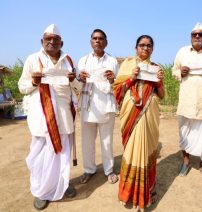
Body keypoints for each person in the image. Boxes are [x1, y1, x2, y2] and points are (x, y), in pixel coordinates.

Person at [18, 24, 80, 210]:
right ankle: (41, 192)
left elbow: (78, 88)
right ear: (42, 41)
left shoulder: (68, 60)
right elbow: (22, 87)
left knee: (62, 156)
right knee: (40, 158)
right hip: (42, 120)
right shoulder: (32, 59)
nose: (52, 42)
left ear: (61, 42)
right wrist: (34, 81)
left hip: (63, 117)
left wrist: (73, 80)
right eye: (48, 39)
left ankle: (62, 185)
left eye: (56, 39)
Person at [114, 35, 164, 210]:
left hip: (149, 114)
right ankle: (128, 192)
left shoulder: (156, 68)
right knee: (132, 150)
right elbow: (117, 91)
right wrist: (132, 77)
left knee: (147, 149)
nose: (145, 48)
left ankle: (147, 189)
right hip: (131, 113)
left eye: (149, 46)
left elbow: (162, 95)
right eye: (142, 45)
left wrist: (159, 82)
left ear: (152, 49)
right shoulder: (127, 64)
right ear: (136, 47)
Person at [172, 23, 202, 181]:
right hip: (186, 100)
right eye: (194, 34)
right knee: (184, 132)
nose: (197, 37)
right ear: (190, 37)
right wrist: (180, 72)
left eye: (200, 34)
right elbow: (174, 71)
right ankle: (186, 162)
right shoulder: (182, 52)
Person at [77, 29, 119, 184]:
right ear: (90, 42)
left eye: (101, 39)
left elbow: (117, 84)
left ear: (106, 42)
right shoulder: (83, 61)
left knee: (107, 141)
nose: (97, 41)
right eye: (94, 38)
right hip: (87, 107)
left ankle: (109, 170)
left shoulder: (112, 61)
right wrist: (80, 79)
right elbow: (77, 84)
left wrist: (113, 79)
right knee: (87, 141)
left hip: (106, 106)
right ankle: (89, 169)